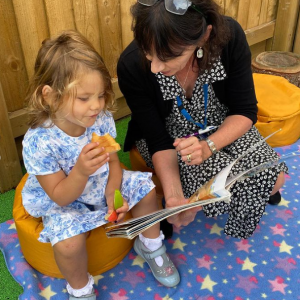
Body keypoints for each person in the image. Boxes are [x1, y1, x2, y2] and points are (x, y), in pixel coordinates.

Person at [21, 30, 180, 300]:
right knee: (68, 245)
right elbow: (59, 196)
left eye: (100, 95)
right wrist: (82, 170)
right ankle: (81, 290)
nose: (96, 106)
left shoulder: (100, 118)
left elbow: (114, 163)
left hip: (101, 183)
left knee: (146, 189)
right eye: (84, 98)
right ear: (49, 96)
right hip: (66, 200)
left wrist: (114, 192)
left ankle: (151, 246)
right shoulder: (40, 141)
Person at [117, 0, 287, 240]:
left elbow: (244, 111)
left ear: (204, 37)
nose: (155, 67)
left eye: (168, 57)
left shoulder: (229, 38)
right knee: (223, 190)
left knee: (274, 178)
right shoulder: (131, 65)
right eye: (147, 52)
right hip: (171, 139)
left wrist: (210, 146)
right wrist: (174, 194)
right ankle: (167, 197)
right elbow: (158, 140)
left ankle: (250, 190)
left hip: (223, 122)